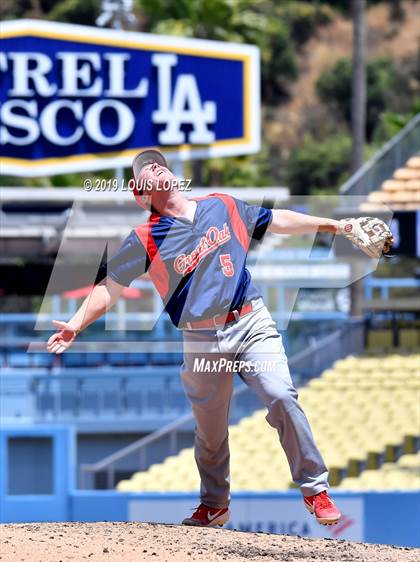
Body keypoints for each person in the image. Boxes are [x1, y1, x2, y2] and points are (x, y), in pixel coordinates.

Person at [47, 149, 349, 528]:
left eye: (158, 163)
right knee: (210, 429)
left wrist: (331, 225)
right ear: (139, 190)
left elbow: (275, 220)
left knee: (281, 394)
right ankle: (214, 504)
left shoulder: (220, 204)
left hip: (249, 319)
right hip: (201, 337)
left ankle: (315, 489)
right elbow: (110, 287)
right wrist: (76, 323)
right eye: (145, 169)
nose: (155, 167)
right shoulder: (144, 238)